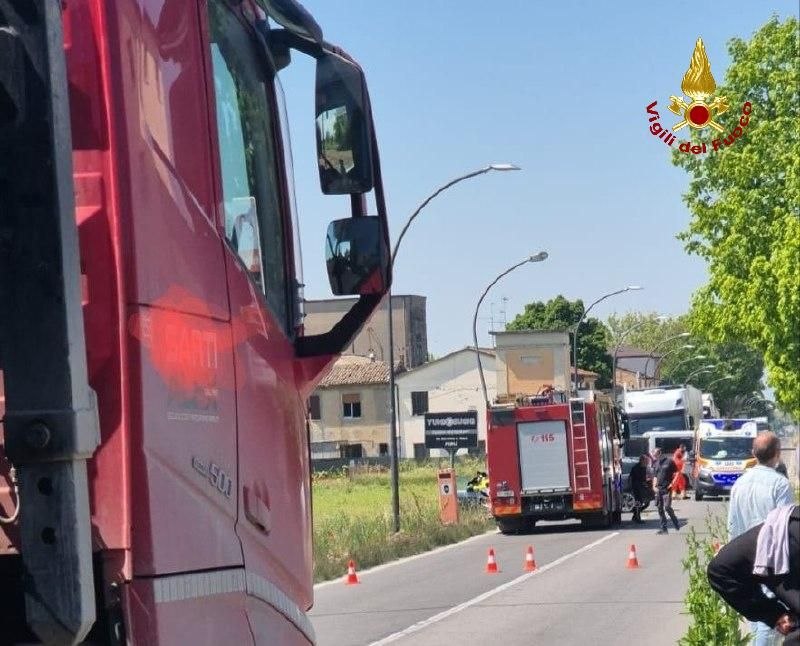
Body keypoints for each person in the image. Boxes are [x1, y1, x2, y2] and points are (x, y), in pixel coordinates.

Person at [727, 432, 794, 645]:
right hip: (771, 559)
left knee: (758, 611)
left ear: (753, 453)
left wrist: (733, 557)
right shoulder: (780, 484)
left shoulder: (739, 483)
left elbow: (733, 523)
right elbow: (786, 526)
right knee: (771, 616)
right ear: (777, 454)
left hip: (744, 557)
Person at [708, 505, 799, 645]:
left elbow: (722, 568)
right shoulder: (784, 526)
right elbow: (722, 568)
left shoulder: (781, 525)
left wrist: (773, 614)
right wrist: (772, 613)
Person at [652, 447, 681, 534]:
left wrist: (673, 483)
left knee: (667, 507)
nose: (655, 457)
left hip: (667, 488)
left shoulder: (669, 462)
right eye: (654, 455)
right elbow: (655, 476)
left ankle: (675, 521)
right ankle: (664, 529)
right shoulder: (656, 463)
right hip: (658, 489)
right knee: (660, 509)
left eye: (656, 455)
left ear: (660, 453)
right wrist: (654, 486)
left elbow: (677, 473)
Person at [629, 454, 648, 524]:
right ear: (642, 460)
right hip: (636, 487)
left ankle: (635, 515)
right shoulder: (635, 468)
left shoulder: (644, 467)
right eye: (646, 460)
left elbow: (643, 478)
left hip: (641, 487)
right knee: (638, 502)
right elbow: (632, 478)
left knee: (646, 503)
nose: (647, 462)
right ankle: (637, 517)